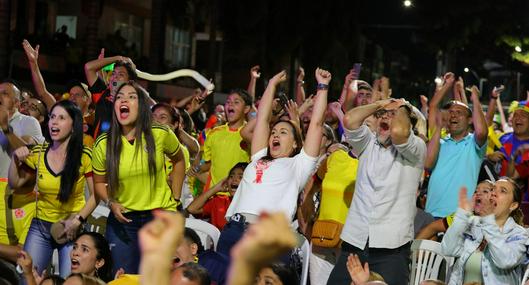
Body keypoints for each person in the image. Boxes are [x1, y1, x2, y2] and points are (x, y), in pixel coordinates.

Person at [219, 68, 330, 256]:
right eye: (274, 132)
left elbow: (317, 123)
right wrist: (271, 84)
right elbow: (262, 119)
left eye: (283, 132)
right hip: (234, 231)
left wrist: (323, 86)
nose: (276, 135)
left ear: (295, 143)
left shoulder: (299, 165)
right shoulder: (258, 157)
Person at [327, 97, 426, 285]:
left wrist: (402, 106)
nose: (384, 118)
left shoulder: (417, 149)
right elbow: (349, 120)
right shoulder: (367, 143)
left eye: (393, 115)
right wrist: (381, 104)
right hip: (355, 241)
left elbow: (399, 132)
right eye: (382, 115)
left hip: (391, 249)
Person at [92, 82, 185, 274]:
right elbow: (99, 183)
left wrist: (175, 199)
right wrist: (111, 203)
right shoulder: (103, 144)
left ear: (142, 106)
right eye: (119, 97)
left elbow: (179, 161)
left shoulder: (160, 133)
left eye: (131, 96)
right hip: (123, 221)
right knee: (122, 278)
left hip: (159, 216)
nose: (124, 99)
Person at [9, 100, 96, 278]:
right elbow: (14, 183)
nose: (54, 122)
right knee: (27, 278)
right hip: (40, 227)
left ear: (73, 126)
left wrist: (78, 220)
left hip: (71, 227)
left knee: (70, 281)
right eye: (52, 117)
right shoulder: (38, 153)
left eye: (61, 118)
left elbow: (97, 195)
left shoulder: (85, 156)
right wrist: (15, 158)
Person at [441, 178, 528, 285]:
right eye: (493, 189)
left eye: (503, 191)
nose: (494, 193)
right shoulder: (474, 225)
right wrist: (462, 216)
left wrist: (488, 221)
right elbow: (448, 249)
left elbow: (504, 261)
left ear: (513, 205)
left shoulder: (519, 234)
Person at [425, 74, 488, 218]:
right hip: (430, 213)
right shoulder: (439, 141)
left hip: (458, 217)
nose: (453, 115)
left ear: (470, 120)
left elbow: (482, 131)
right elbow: (433, 106)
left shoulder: (474, 144)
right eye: (451, 112)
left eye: (459, 113)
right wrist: (447, 84)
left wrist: (475, 99)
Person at [0, 80, 44, 262]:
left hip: (12, 194)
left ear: (17, 103)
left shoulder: (28, 122)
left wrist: (6, 129)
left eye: (4, 93)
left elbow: (30, 153)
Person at [195, 89, 253, 191]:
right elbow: (206, 163)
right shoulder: (214, 133)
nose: (230, 105)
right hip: (214, 197)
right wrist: (196, 166)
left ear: (246, 108)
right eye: (228, 102)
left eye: (236, 102)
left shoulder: (250, 135)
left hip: (238, 195)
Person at [416, 180, 494, 241]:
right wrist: (411, 250)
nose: (478, 193)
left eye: (485, 191)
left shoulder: (500, 223)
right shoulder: (465, 215)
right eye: (476, 191)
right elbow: (432, 227)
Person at [186, 162, 247, 230]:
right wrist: (216, 188)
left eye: (240, 177)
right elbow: (191, 209)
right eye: (231, 176)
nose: (234, 179)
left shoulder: (254, 206)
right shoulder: (219, 201)